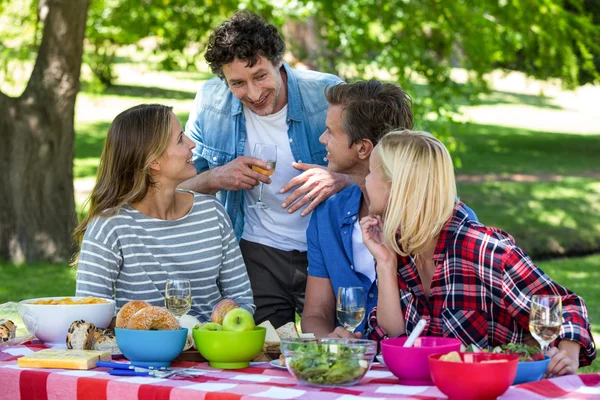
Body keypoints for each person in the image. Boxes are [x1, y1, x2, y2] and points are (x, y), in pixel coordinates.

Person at [360, 130, 596, 375]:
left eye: (370, 172)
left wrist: (567, 354)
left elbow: (565, 306)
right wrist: (385, 264)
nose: (364, 181)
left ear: (394, 186)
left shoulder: (484, 250)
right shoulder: (399, 250)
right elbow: (394, 338)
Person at [183, 11, 350, 328]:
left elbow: (382, 168)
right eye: (237, 83)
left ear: (279, 62)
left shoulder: (328, 95)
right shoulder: (210, 101)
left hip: (328, 249)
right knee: (261, 351)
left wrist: (339, 180)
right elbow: (178, 186)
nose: (254, 94)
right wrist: (214, 178)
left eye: (260, 76)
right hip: (257, 251)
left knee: (338, 348)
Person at [301, 81, 477, 339]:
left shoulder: (442, 223)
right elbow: (315, 313)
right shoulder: (327, 214)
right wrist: (329, 340)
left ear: (363, 148)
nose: (322, 139)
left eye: (330, 132)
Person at [74, 104, 254, 322]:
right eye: (180, 139)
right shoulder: (110, 225)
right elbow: (89, 314)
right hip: (141, 354)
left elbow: (242, 300)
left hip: (212, 350)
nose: (192, 144)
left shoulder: (212, 213)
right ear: (154, 162)